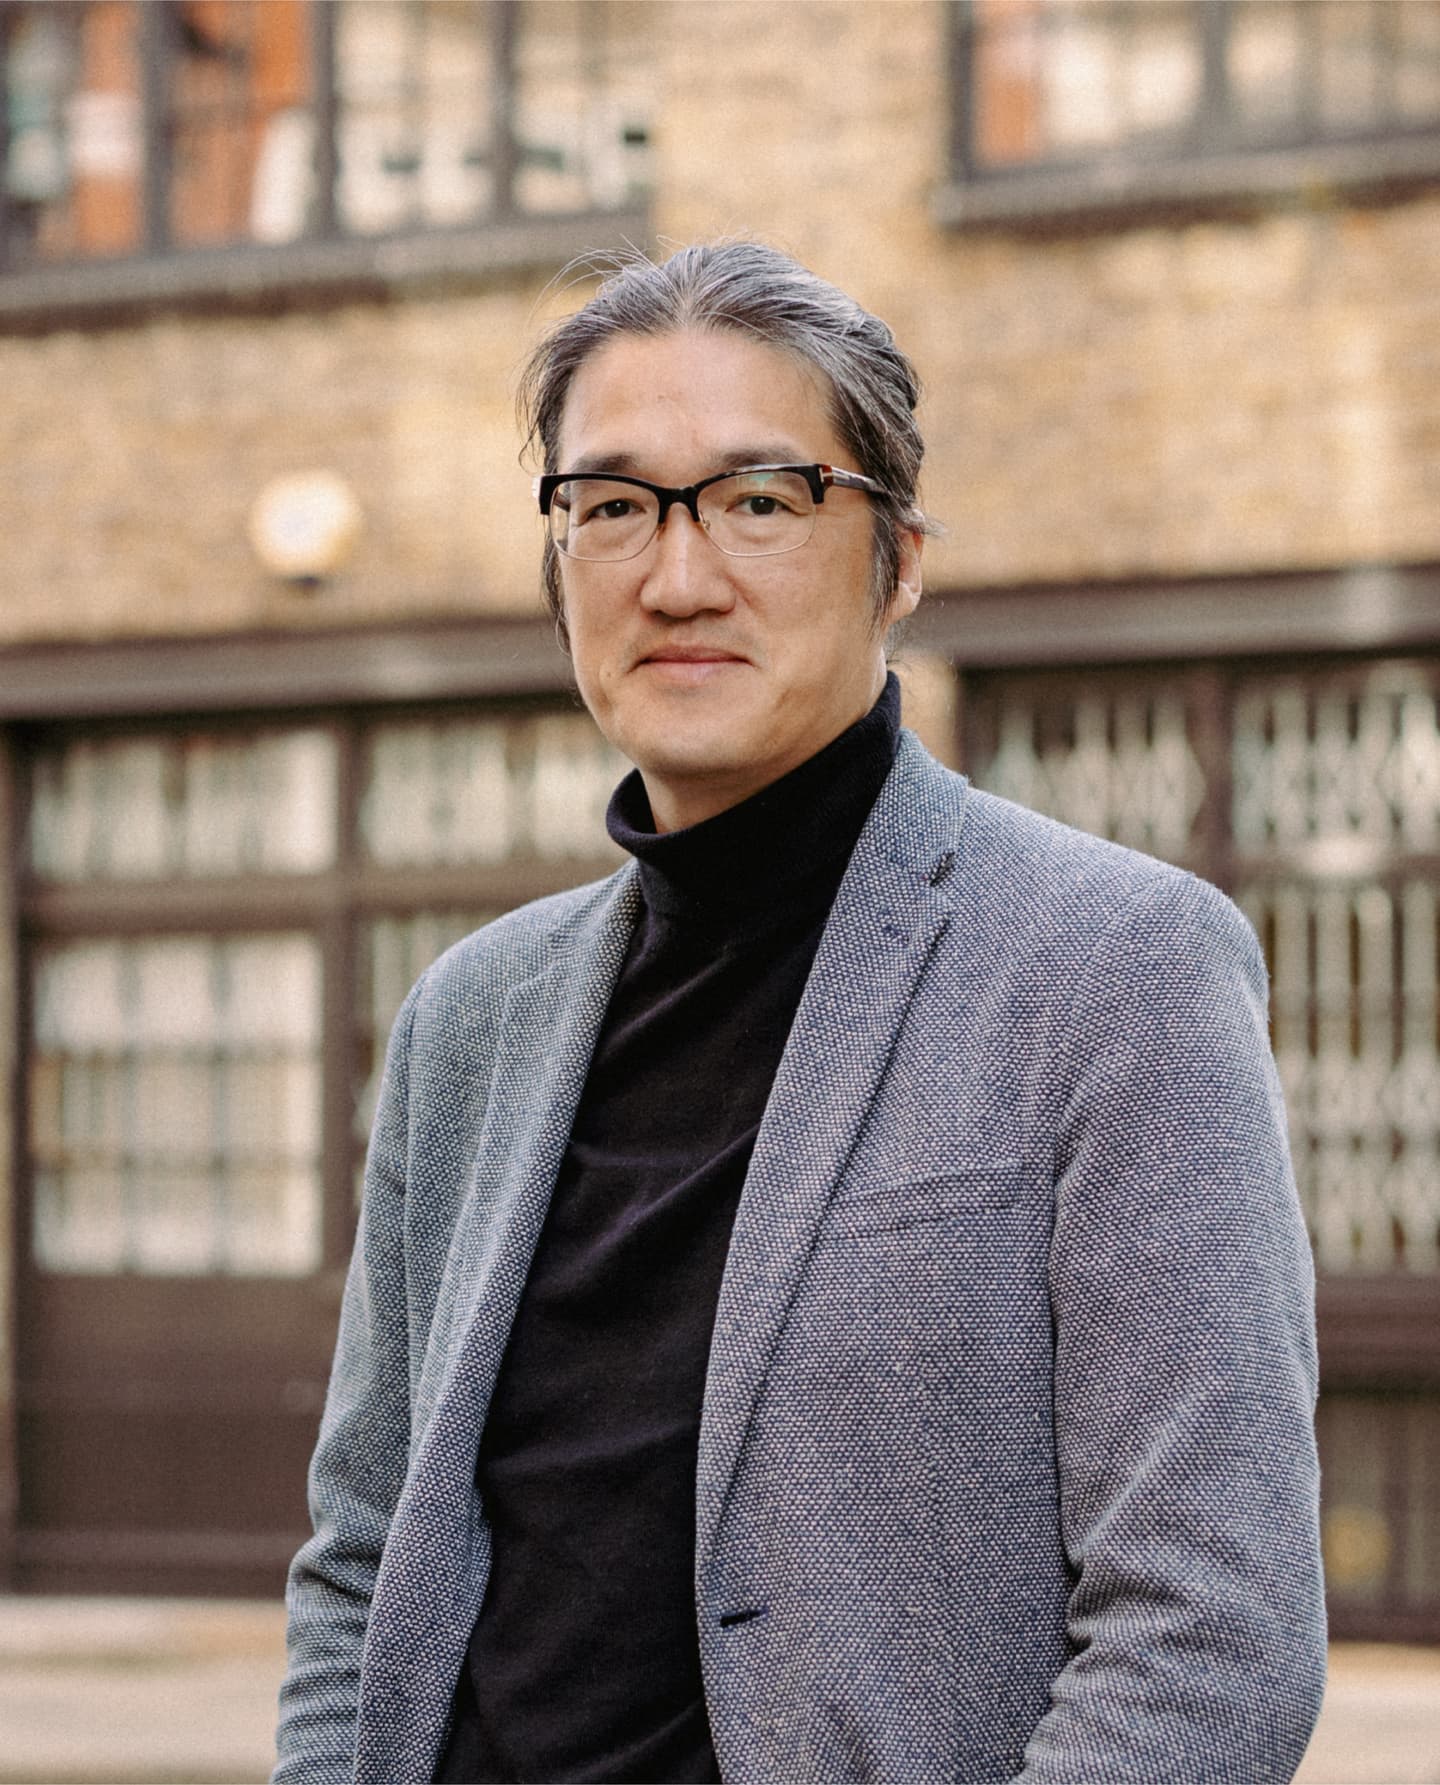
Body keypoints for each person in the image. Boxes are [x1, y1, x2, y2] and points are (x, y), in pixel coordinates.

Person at [274, 241, 1326, 1785]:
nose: (677, 574)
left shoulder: (1116, 970)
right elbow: (363, 1559)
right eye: (614, 504)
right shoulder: (468, 1022)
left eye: (763, 499)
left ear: (898, 559)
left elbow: (1212, 1633)